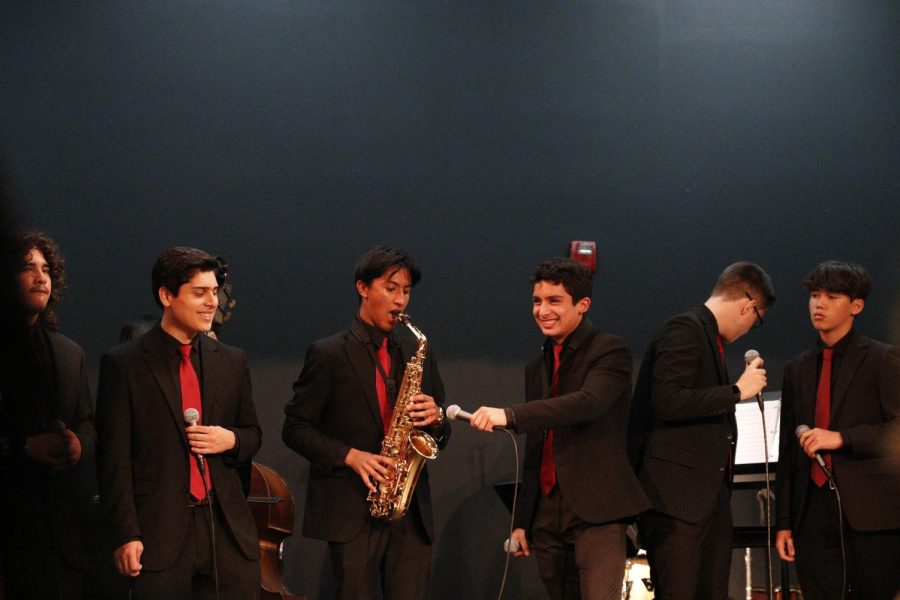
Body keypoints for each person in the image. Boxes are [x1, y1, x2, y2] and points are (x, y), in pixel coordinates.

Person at [469, 257, 649, 600]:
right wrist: (522, 519)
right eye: (537, 301)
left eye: (554, 301)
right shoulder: (536, 366)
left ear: (582, 305)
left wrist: (508, 414)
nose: (542, 311)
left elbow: (587, 403)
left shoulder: (610, 350)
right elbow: (538, 444)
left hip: (596, 508)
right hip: (548, 513)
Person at [282, 245, 450, 600]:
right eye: (391, 288)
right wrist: (350, 456)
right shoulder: (328, 353)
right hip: (352, 508)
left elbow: (440, 435)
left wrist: (436, 418)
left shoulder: (418, 351)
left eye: (406, 291)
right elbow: (295, 428)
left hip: (409, 507)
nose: (400, 301)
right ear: (363, 287)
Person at [95, 246, 261, 599]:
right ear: (167, 295)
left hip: (225, 529)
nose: (211, 303)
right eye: (199, 293)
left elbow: (253, 435)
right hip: (160, 531)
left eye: (215, 292)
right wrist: (126, 533)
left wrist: (229, 440)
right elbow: (113, 459)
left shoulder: (231, 361)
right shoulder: (124, 365)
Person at [629, 261, 775, 600]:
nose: (751, 328)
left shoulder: (709, 337)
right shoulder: (685, 328)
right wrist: (737, 392)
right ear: (747, 305)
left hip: (707, 499)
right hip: (676, 501)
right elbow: (667, 400)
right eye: (757, 319)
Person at [775, 261, 900, 600]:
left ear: (856, 306)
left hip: (870, 515)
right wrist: (784, 521)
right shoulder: (796, 368)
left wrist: (843, 438)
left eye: (832, 296)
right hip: (810, 513)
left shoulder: (883, 358)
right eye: (815, 295)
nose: (819, 304)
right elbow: (788, 450)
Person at [0, 231, 97, 599]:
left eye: (46, 269)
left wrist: (77, 444)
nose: (41, 277)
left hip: (60, 539)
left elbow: (87, 423)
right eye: (27, 268)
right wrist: (22, 446)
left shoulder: (70, 353)